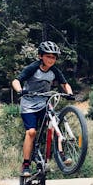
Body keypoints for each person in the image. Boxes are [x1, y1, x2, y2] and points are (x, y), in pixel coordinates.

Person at [12, 41, 74, 176]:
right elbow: (16, 81)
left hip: (44, 102)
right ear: (41, 56)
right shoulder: (33, 68)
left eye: (53, 57)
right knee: (32, 132)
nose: (51, 60)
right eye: (48, 56)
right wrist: (20, 90)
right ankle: (26, 164)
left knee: (57, 123)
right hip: (28, 104)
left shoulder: (54, 71)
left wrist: (69, 93)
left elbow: (65, 84)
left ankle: (62, 155)